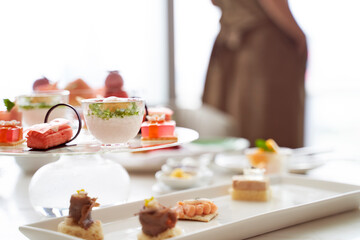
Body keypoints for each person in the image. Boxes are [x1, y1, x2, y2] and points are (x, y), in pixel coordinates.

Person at [202, 0, 307, 148]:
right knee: (266, 129)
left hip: (230, 39)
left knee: (235, 128)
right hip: (265, 45)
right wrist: (299, 35)